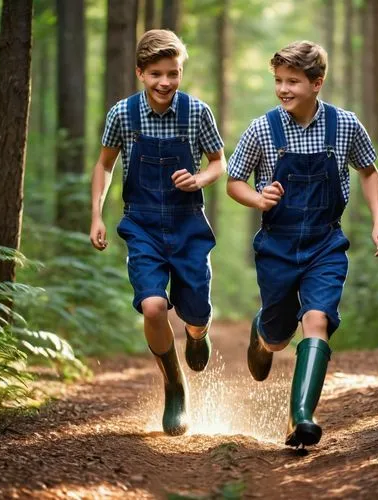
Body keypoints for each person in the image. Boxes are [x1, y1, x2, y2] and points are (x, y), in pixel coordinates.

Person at [227, 41, 378, 448]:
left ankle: (301, 416)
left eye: (293, 82)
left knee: (316, 320)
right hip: (277, 246)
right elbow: (234, 181)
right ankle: (263, 334)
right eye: (278, 81)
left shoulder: (346, 125)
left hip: (325, 244)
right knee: (281, 336)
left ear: (317, 83)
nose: (283, 89)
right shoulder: (262, 128)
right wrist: (257, 198)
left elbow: (369, 171)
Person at [90, 29, 226, 436]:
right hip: (142, 224)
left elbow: (219, 161)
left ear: (180, 71)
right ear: (140, 73)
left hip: (188, 223)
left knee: (195, 311)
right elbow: (105, 166)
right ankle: (173, 384)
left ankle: (198, 333)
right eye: (155, 74)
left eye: (172, 73)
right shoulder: (122, 114)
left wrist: (200, 179)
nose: (165, 82)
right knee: (152, 306)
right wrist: (96, 215)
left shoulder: (197, 112)